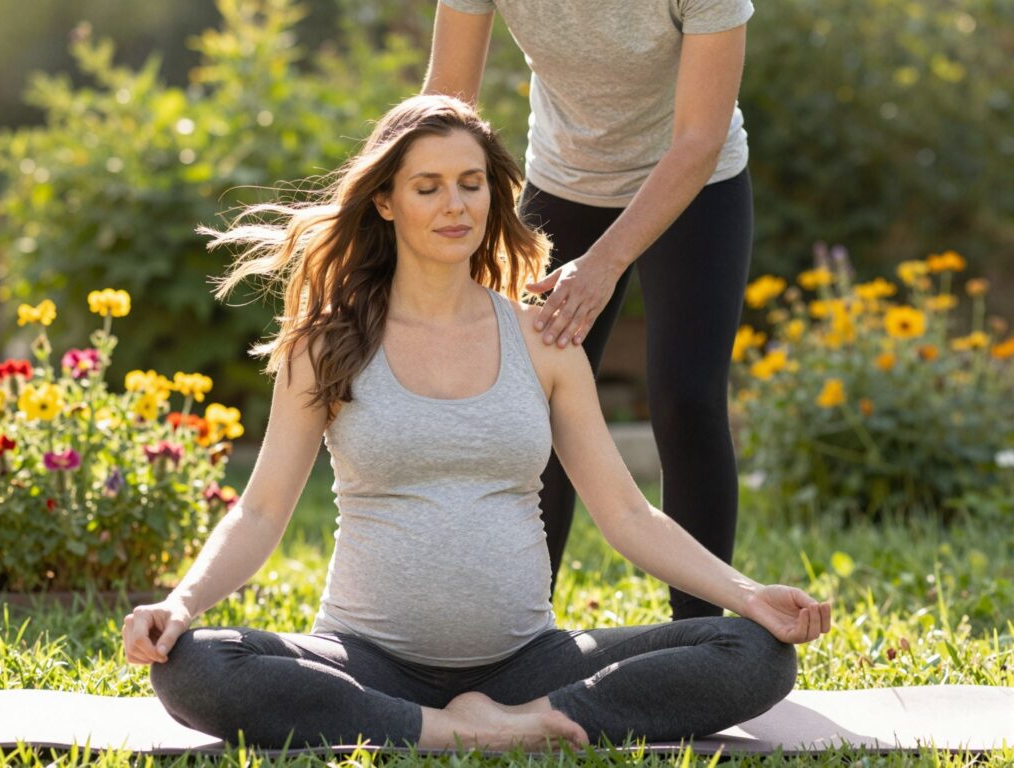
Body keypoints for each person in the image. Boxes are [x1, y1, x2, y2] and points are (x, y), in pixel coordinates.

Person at [124, 95, 830, 753]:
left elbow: (625, 513)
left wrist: (746, 595)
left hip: (531, 663)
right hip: (366, 661)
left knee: (755, 652)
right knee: (195, 667)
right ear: (386, 202)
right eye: (427, 187)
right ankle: (458, 732)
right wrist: (182, 603)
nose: (454, 204)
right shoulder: (327, 343)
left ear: (494, 194)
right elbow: (261, 511)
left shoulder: (543, 340)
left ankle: (520, 720)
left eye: (471, 182)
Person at [422, 0, 757, 619]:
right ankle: (517, 630)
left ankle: (702, 639)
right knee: (534, 402)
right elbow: (444, 109)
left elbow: (700, 137)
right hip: (564, 182)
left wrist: (603, 264)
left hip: (696, 184)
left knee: (687, 397)